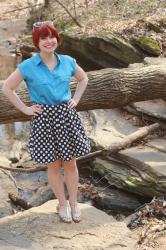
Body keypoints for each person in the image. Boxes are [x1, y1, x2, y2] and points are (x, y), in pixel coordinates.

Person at [2, 20, 91, 224]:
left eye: (52, 36)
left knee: (70, 163)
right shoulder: (28, 66)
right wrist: (25, 108)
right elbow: (7, 88)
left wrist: (76, 99)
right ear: (37, 42)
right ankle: (62, 204)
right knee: (53, 165)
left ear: (57, 39)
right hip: (44, 119)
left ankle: (74, 203)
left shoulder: (68, 61)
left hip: (66, 117)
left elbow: (83, 79)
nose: (49, 41)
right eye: (43, 38)